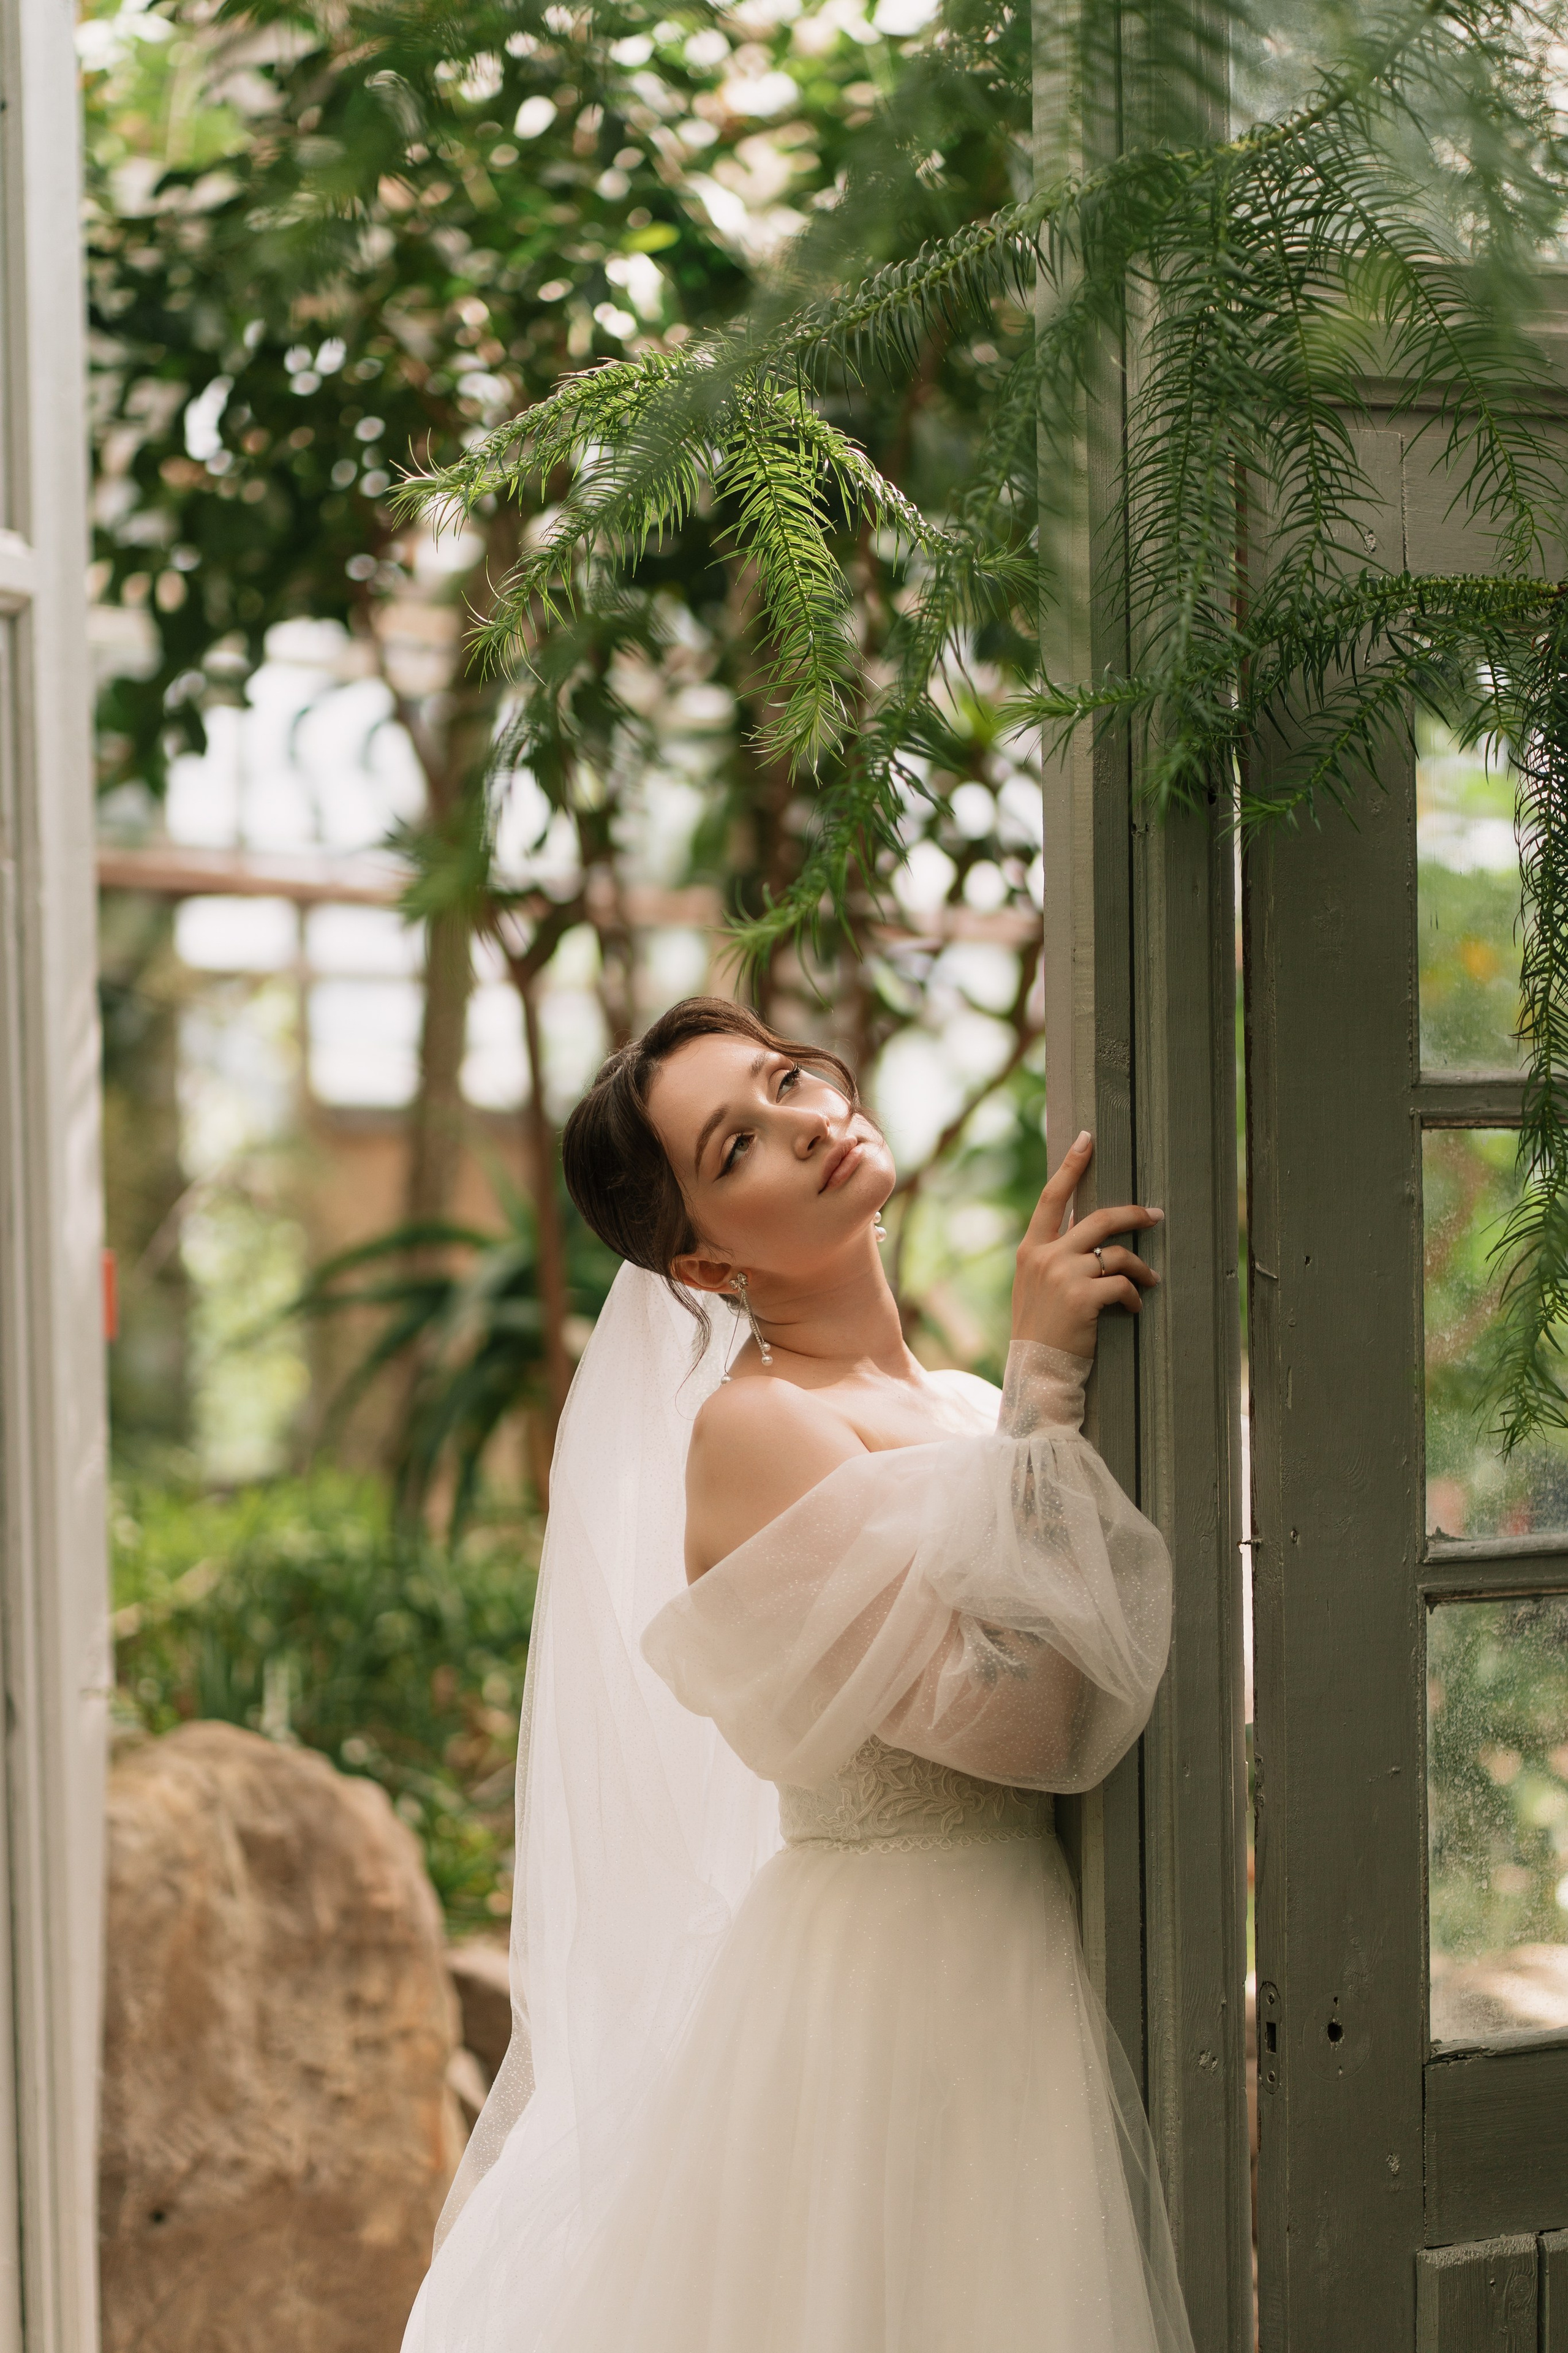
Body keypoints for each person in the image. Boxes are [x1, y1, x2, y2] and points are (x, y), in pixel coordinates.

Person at [402, 996, 1194, 2353]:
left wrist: (1018, 1398)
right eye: (738, 1145)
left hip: (1023, 1951)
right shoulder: (759, 1430)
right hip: (903, 1993)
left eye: (786, 1082)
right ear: (706, 1262)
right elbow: (1025, 1719)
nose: (807, 1122)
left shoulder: (958, 1406)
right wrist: (1044, 1382)